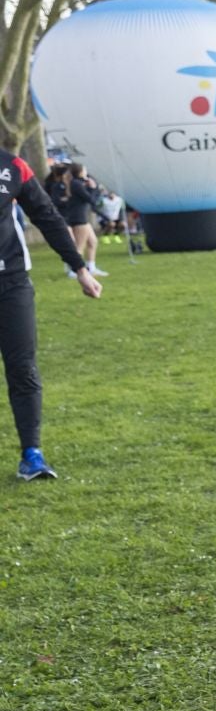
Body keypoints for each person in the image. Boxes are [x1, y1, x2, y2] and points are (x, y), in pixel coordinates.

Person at [2, 148, 102, 481]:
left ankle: (32, 454)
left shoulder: (12, 166)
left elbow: (46, 215)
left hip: (11, 282)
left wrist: (80, 268)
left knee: (22, 367)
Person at [48, 162, 107, 278]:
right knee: (79, 246)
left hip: (81, 216)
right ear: (80, 171)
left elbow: (86, 198)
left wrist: (91, 188)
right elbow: (91, 200)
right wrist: (94, 189)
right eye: (84, 169)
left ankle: (91, 267)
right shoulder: (76, 184)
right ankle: (74, 270)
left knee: (92, 242)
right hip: (78, 218)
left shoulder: (77, 183)